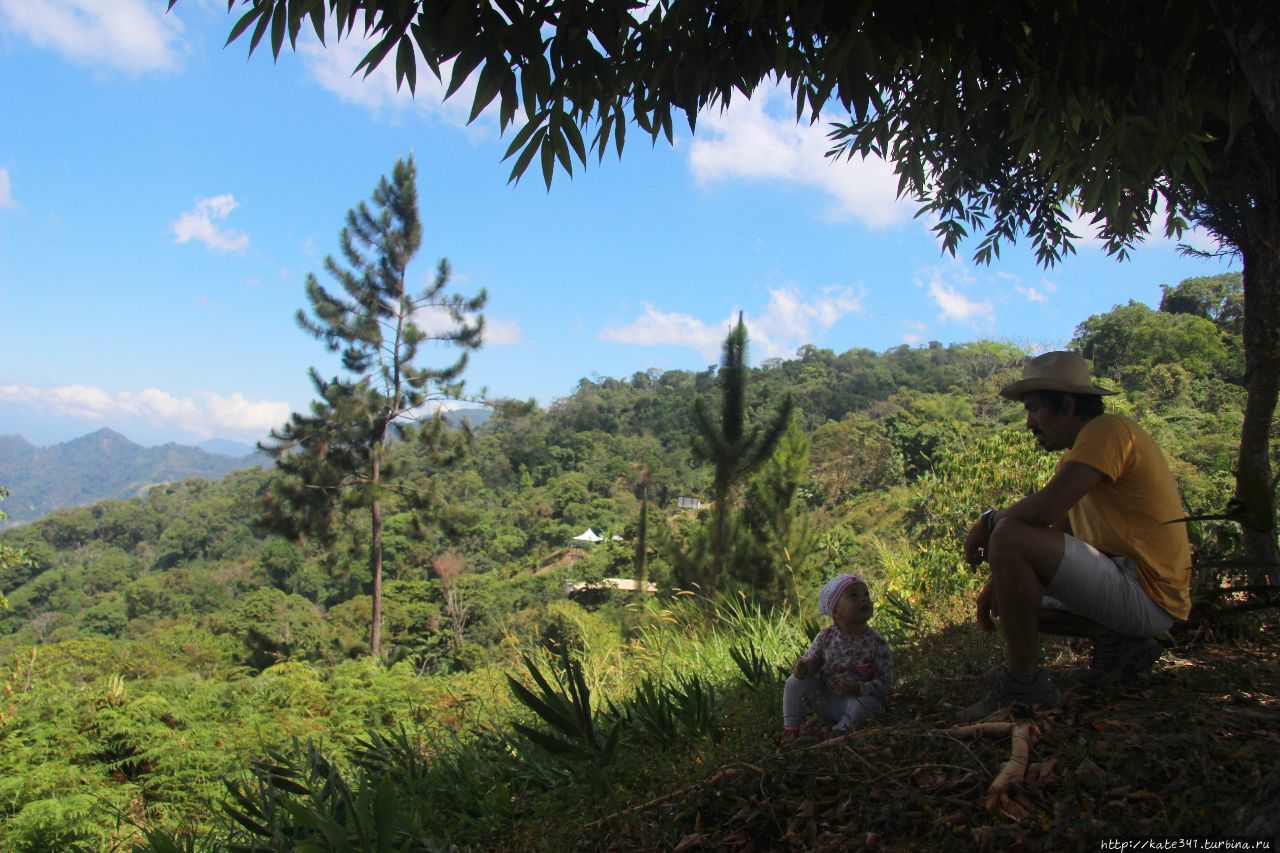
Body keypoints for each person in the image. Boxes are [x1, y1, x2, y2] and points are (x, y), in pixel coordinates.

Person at [958, 351, 1192, 723]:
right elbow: (1055, 533)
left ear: (1067, 404)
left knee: (1010, 532)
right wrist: (997, 580)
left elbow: (1042, 510)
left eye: (1034, 409)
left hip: (1147, 594)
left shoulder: (1109, 430)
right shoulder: (1079, 459)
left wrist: (987, 523)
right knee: (1010, 590)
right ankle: (1122, 641)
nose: (1029, 422)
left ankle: (1023, 685)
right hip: (1131, 592)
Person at [783, 574, 893, 739]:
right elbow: (812, 660)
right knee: (794, 682)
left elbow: (885, 680)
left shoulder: (876, 642)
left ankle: (841, 731)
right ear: (836, 611)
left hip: (857, 702)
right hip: (827, 700)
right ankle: (791, 728)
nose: (863, 599)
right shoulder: (826, 636)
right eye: (853, 596)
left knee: (867, 706)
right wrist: (803, 667)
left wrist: (859, 688)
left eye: (866, 595)